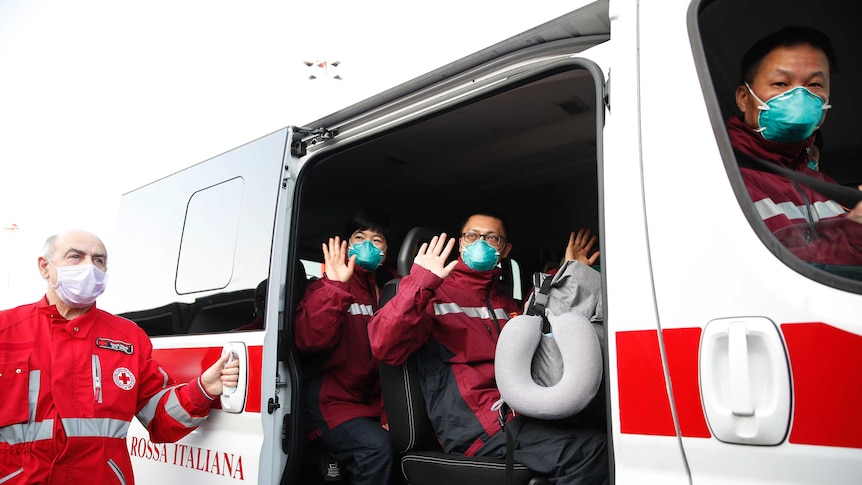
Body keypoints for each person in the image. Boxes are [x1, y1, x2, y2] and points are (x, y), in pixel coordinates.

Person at [368, 212, 608, 484]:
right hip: (477, 426)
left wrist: (568, 275)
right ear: (460, 244)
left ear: (505, 250)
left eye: (491, 237)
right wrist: (420, 282)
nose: (479, 243)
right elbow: (384, 344)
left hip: (520, 412)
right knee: (593, 451)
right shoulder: (433, 296)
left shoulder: (508, 305)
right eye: (471, 235)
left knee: (605, 433)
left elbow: (543, 328)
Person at [0, 229, 239, 485]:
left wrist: (203, 389)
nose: (89, 266)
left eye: (98, 260)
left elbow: (160, 417)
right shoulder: (6, 330)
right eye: (75, 256)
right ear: (45, 267)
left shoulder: (128, 337)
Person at [727, 25, 862, 266]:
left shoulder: (827, 188)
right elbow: (774, 269)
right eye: (780, 83)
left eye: (814, 85)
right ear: (743, 98)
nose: (800, 97)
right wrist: (855, 230)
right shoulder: (724, 180)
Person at [294, 208, 395, 485]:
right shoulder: (327, 287)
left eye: (377, 241)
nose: (367, 245)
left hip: (371, 403)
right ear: (347, 244)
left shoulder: (391, 292)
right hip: (329, 405)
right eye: (359, 237)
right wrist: (335, 286)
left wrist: (389, 412)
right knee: (376, 447)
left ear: (385, 252)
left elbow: (394, 360)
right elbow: (310, 340)